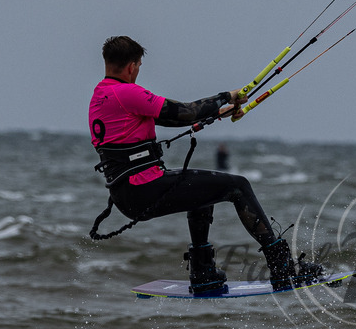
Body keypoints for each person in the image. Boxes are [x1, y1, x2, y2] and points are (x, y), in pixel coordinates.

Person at [89, 35, 320, 294]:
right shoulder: (127, 93)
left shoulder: (100, 97)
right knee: (238, 186)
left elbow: (174, 119)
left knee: (202, 189)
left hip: (126, 194)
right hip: (145, 188)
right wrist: (226, 96)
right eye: (139, 67)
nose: (138, 73)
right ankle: (282, 266)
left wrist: (218, 111)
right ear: (132, 66)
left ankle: (202, 271)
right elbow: (186, 112)